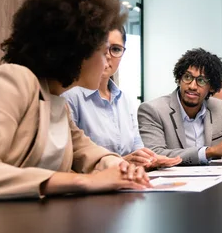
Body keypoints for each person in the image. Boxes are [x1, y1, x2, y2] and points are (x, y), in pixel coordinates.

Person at [0, 0, 152, 200]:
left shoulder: (56, 100)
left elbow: (87, 151)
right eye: (104, 51)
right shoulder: (14, 80)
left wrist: (120, 167)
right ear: (78, 50)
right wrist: (82, 181)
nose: (107, 62)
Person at [62, 25, 181, 170]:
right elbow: (68, 163)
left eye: (116, 49)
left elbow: (137, 150)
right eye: (101, 47)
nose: (107, 56)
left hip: (127, 184)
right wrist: (124, 162)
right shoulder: (69, 97)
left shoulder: (124, 99)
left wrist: (149, 160)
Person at [138, 48, 222, 165]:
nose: (192, 86)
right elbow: (153, 155)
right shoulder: (153, 110)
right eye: (187, 77)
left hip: (213, 185)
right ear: (179, 78)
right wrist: (209, 152)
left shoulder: (219, 108)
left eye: (201, 80)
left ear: (212, 87)